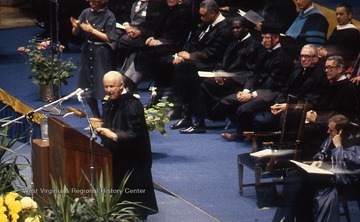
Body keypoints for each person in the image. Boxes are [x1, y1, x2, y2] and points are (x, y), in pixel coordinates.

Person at [178, 15, 266, 133]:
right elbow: (222, 61)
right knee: (195, 79)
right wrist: (219, 71)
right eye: (233, 28)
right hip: (227, 78)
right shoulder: (233, 42)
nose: (234, 30)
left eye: (238, 28)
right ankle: (191, 117)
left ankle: (201, 122)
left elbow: (252, 71)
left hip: (240, 82)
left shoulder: (253, 45)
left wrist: (245, 89)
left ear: (246, 28)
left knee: (204, 85)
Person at [92, 71, 158, 220]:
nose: (109, 90)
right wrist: (100, 124)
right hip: (116, 158)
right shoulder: (110, 103)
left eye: (112, 87)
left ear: (121, 85)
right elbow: (111, 124)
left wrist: (114, 135)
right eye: (106, 87)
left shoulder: (132, 104)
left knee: (135, 200)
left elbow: (136, 133)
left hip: (133, 161)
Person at [272, 114, 360, 222]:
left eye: (331, 130)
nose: (328, 132)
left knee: (298, 182)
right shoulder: (330, 138)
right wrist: (318, 162)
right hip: (325, 175)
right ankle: (286, 215)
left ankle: (285, 217)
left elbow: (347, 173)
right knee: (294, 176)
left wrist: (338, 147)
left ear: (340, 131)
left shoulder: (354, 144)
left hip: (340, 181)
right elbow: (321, 153)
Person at [216, 22, 294, 141]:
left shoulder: (283, 57)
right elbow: (252, 73)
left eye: (267, 38)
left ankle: (243, 134)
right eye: (263, 37)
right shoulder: (264, 52)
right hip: (255, 91)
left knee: (243, 108)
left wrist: (252, 95)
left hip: (271, 95)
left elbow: (273, 84)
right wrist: (246, 90)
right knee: (226, 102)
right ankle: (247, 130)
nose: (264, 41)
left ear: (277, 38)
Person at [165, 0, 232, 130]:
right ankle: (184, 113)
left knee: (184, 69)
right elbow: (192, 42)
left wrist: (190, 57)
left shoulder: (225, 28)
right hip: (198, 62)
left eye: (203, 15)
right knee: (171, 63)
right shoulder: (206, 24)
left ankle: (184, 112)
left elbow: (214, 52)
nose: (201, 18)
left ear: (212, 14)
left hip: (213, 64)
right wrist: (182, 55)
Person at [301, 55, 360, 159]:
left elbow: (342, 116)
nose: (326, 71)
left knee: (305, 129)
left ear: (340, 69)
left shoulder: (347, 89)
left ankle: (311, 162)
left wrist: (317, 119)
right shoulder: (334, 84)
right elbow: (324, 106)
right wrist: (313, 113)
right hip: (327, 121)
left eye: (330, 68)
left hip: (339, 126)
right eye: (326, 67)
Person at [70, 0, 117, 118]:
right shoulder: (86, 12)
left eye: (94, 2)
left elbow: (110, 38)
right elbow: (75, 33)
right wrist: (76, 27)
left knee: (103, 87)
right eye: (90, 1)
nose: (91, 4)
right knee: (87, 88)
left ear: (101, 2)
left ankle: (107, 119)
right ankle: (96, 117)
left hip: (101, 52)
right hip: (87, 50)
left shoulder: (109, 15)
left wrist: (92, 31)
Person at [267, 44, 329, 132]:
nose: (303, 59)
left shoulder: (321, 76)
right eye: (302, 56)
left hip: (302, 110)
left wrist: (289, 107)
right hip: (288, 106)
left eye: (307, 56)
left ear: (315, 58)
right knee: (268, 118)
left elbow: (312, 102)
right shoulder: (297, 70)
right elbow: (285, 89)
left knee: (283, 119)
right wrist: (278, 103)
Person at [317, 3, 360, 70]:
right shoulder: (336, 29)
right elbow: (329, 45)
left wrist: (327, 54)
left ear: (349, 15)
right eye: (336, 14)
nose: (338, 17)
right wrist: (322, 49)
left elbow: (348, 55)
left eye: (341, 14)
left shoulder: (353, 32)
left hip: (340, 68)